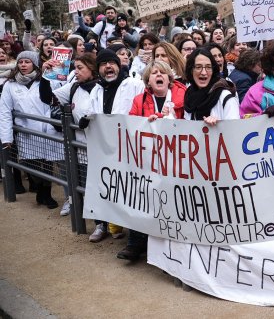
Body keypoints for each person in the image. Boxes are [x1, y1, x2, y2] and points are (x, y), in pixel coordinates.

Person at [117, 60, 187, 261]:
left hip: (176, 160)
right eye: (154, 73)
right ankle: (135, 244)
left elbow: (191, 123)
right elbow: (131, 123)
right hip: (148, 160)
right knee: (141, 199)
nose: (158, 75)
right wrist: (151, 120)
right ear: (148, 81)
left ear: (169, 78)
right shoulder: (139, 100)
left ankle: (170, 248)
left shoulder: (183, 96)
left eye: (162, 72)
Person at [84, 49, 145, 243]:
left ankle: (131, 231)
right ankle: (101, 225)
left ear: (119, 66)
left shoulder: (134, 84)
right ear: (99, 69)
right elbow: (91, 112)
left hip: (130, 146)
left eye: (111, 63)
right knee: (104, 184)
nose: (108, 67)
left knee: (129, 187)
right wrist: (86, 120)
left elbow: (143, 107)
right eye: (103, 64)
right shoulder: (97, 89)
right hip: (104, 146)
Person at [0, 51, 64, 208]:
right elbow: (5, 111)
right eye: (21, 62)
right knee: (31, 164)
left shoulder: (47, 79)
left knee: (48, 164)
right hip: (27, 131)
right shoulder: (10, 85)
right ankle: (40, 190)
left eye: (27, 62)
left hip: (48, 129)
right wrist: (6, 137)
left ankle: (46, 194)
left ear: (34, 64)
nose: (23, 65)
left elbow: (60, 94)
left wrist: (58, 71)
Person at [47, 54, 99, 215]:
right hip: (82, 145)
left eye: (80, 68)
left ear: (91, 68)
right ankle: (89, 216)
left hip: (102, 145)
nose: (75, 71)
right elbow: (47, 97)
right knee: (84, 182)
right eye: (74, 68)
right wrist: (47, 74)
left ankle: (103, 221)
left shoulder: (103, 87)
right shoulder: (73, 87)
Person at [184, 49, 239, 123]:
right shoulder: (189, 95)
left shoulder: (225, 97)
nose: (203, 72)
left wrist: (218, 126)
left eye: (208, 67)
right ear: (191, 70)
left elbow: (235, 130)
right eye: (198, 67)